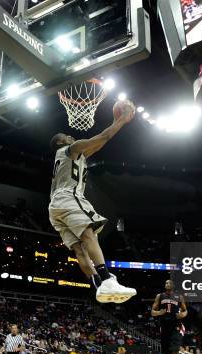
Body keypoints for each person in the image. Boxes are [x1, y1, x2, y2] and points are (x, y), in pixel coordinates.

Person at [48, 100, 137, 303]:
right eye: (66, 136)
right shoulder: (70, 148)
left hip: (55, 207)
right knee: (89, 235)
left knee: (79, 249)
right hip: (68, 197)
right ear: (62, 142)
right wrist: (121, 120)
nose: (71, 136)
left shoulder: (73, 156)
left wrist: (114, 125)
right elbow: (102, 136)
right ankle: (107, 279)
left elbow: (101, 142)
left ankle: (98, 285)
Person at [151, 279, 187, 354]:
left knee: (174, 351)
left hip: (176, 326)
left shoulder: (179, 297)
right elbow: (152, 311)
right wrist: (158, 313)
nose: (167, 284)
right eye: (165, 283)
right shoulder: (159, 296)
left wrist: (182, 314)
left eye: (169, 283)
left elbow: (186, 311)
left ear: (173, 285)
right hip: (164, 328)